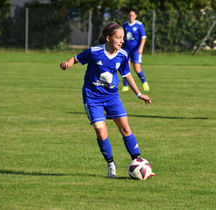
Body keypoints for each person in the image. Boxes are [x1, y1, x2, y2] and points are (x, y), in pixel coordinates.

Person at [60, 22, 152, 178]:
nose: (122, 41)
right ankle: (111, 164)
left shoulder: (123, 55)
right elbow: (76, 58)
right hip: (92, 97)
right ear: (108, 38)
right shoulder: (95, 52)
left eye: (123, 37)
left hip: (112, 98)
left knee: (125, 129)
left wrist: (138, 94)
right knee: (101, 132)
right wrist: (67, 64)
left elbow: (126, 75)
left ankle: (138, 162)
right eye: (118, 37)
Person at [121, 8, 150, 92]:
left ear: (136, 16)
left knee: (137, 69)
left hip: (136, 50)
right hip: (126, 49)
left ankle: (144, 83)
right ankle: (125, 86)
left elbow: (143, 37)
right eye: (129, 15)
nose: (131, 17)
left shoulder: (139, 25)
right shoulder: (125, 25)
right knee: (126, 67)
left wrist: (141, 47)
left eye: (132, 15)